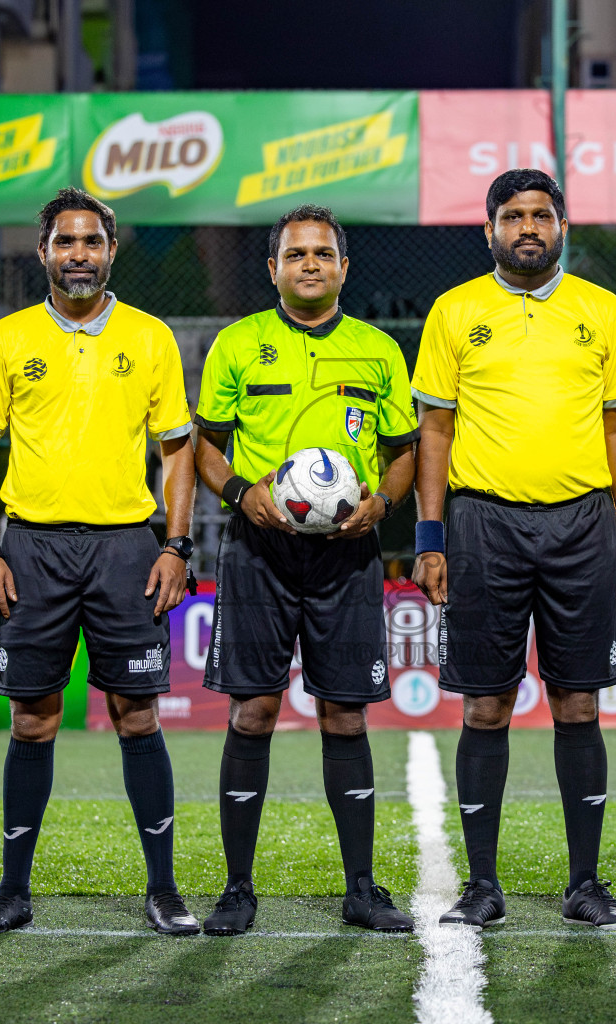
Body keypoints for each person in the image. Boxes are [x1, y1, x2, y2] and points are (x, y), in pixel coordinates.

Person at [0, 188, 200, 937]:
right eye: (65, 242)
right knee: (32, 721)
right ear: (44, 253)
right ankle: (12, 891)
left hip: (126, 549)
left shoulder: (152, 337)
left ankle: (162, 891)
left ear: (111, 251)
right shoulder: (7, 339)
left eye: (92, 242)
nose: (79, 255)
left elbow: (178, 450)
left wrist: (176, 544)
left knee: (138, 716)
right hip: (30, 548)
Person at [412, 169, 616, 931]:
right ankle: (482, 886)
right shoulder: (455, 310)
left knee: (578, 701)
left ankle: (587, 885)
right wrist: (431, 536)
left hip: (582, 525)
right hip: (484, 527)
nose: (528, 227)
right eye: (512, 216)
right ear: (489, 231)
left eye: (541, 215)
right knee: (487, 702)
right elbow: (434, 430)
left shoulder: (602, 310)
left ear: (562, 225)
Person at [193, 204, 418, 935]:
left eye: (324, 253)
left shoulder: (379, 350)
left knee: (343, 711)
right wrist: (239, 491)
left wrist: (382, 501)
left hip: (347, 552)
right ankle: (236, 889)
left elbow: (404, 450)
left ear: (344, 267)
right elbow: (204, 446)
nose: (311, 264)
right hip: (259, 549)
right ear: (274, 269)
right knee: (252, 711)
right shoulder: (237, 343)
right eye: (296, 255)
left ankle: (361, 888)